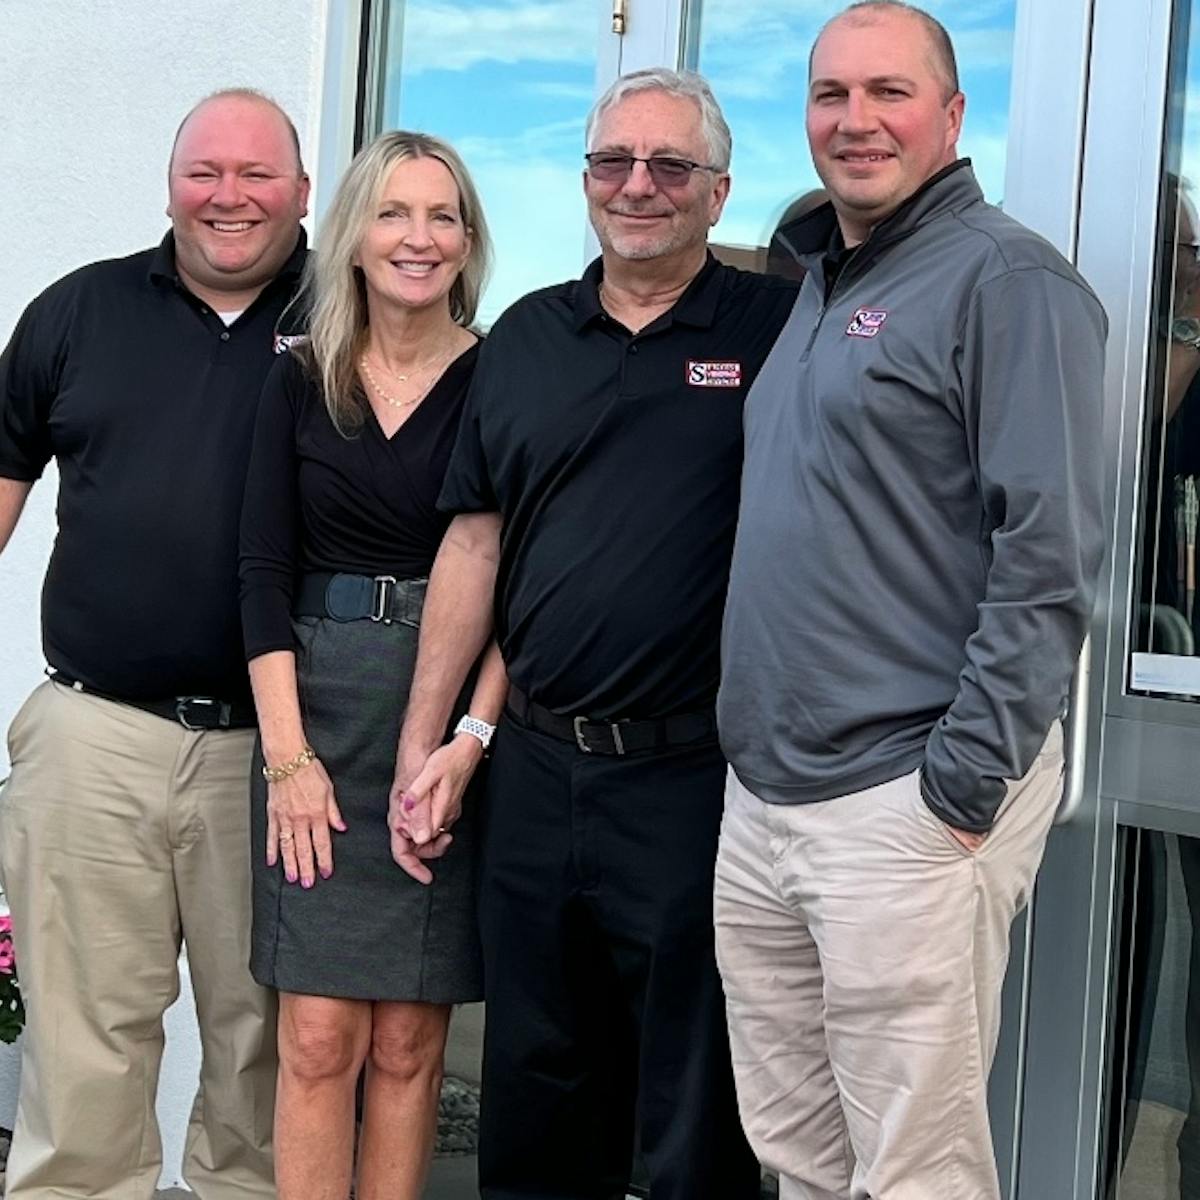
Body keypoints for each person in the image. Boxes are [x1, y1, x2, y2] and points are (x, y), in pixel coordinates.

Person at [713, 4, 1107, 1198]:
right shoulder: (818, 283)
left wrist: (962, 787)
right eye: (832, 95)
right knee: (799, 1156)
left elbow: (1050, 555)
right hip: (768, 800)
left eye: (890, 91)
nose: (856, 119)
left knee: (915, 1170)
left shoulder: (1007, 281)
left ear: (951, 112)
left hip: (901, 804)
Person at [391, 67, 798, 1200]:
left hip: (691, 779)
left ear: (718, 193)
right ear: (584, 182)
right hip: (529, 768)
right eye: (615, 162)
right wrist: (430, 748)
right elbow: (476, 546)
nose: (639, 186)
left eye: (671, 165)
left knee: (689, 1102)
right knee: (534, 1079)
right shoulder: (524, 337)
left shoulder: (775, 331)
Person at [0, 89, 310, 1199]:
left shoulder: (354, 314)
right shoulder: (76, 313)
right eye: (205, 172)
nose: (229, 197)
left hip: (279, 760)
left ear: (305, 192)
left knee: (261, 1053)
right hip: (95, 738)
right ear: (171, 184)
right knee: (82, 1049)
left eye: (258, 174)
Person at [238, 129, 504, 1200]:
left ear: (469, 240)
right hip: (318, 709)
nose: (419, 237)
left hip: (442, 731)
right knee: (315, 1038)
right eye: (395, 213)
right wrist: (287, 758)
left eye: (443, 215)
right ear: (352, 237)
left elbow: (518, 582)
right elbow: (258, 571)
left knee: (405, 1046)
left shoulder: (502, 376)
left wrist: (470, 743)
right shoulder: (300, 378)